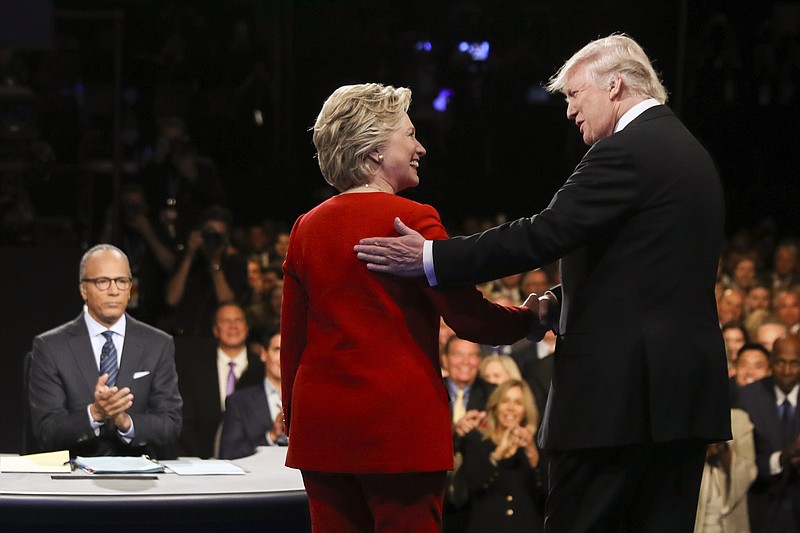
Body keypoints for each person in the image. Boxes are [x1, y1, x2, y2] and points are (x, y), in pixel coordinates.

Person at [355, 34, 731, 532]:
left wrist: (431, 256)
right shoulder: (688, 151)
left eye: (575, 95)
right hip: (678, 401)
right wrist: (561, 302)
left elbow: (541, 234)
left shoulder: (627, 151)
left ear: (614, 85)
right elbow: (649, 270)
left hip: (617, 405)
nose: (570, 111)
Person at [280, 83, 541, 533]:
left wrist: (297, 417)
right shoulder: (414, 219)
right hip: (400, 428)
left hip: (322, 430)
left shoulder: (306, 227)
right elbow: (466, 318)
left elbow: (293, 342)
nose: (421, 147)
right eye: (411, 135)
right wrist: (530, 319)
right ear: (376, 150)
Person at [28, 244, 182, 457]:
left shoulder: (158, 344)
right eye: (102, 282)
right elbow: (46, 432)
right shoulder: (51, 347)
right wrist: (95, 413)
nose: (113, 291)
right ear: (84, 290)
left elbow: (170, 424)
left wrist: (125, 421)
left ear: (130, 288)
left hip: (140, 477)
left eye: (121, 281)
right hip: (75, 480)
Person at [175, 302, 264, 458]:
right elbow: (185, 421)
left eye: (239, 320)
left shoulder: (262, 369)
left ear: (247, 327)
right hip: (200, 461)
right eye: (225, 321)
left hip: (252, 460)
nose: (233, 326)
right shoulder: (194, 370)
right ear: (215, 330)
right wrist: (207, 459)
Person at [461, 379, 545, 533]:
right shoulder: (476, 440)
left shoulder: (536, 444)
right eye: (505, 401)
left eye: (518, 403)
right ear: (495, 406)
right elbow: (474, 484)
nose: (511, 408)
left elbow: (545, 494)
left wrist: (533, 454)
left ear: (526, 410)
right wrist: (498, 453)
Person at [736, 334, 800, 532]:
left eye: (795, 363)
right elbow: (741, 461)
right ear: (771, 362)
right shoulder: (748, 398)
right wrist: (781, 458)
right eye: (780, 362)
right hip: (762, 511)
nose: (787, 370)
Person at [165, 205, 249, 336]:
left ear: (226, 239)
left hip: (216, 338)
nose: (213, 240)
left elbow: (228, 304)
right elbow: (171, 299)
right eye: (210, 234)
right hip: (183, 334)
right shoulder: (187, 260)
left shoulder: (236, 263)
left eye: (218, 236)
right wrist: (189, 255)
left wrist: (215, 262)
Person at [218, 328, 286, 459]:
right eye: (277, 349)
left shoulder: (311, 400)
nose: (283, 356)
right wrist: (271, 436)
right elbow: (228, 453)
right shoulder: (239, 402)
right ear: (263, 354)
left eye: (289, 350)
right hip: (258, 476)